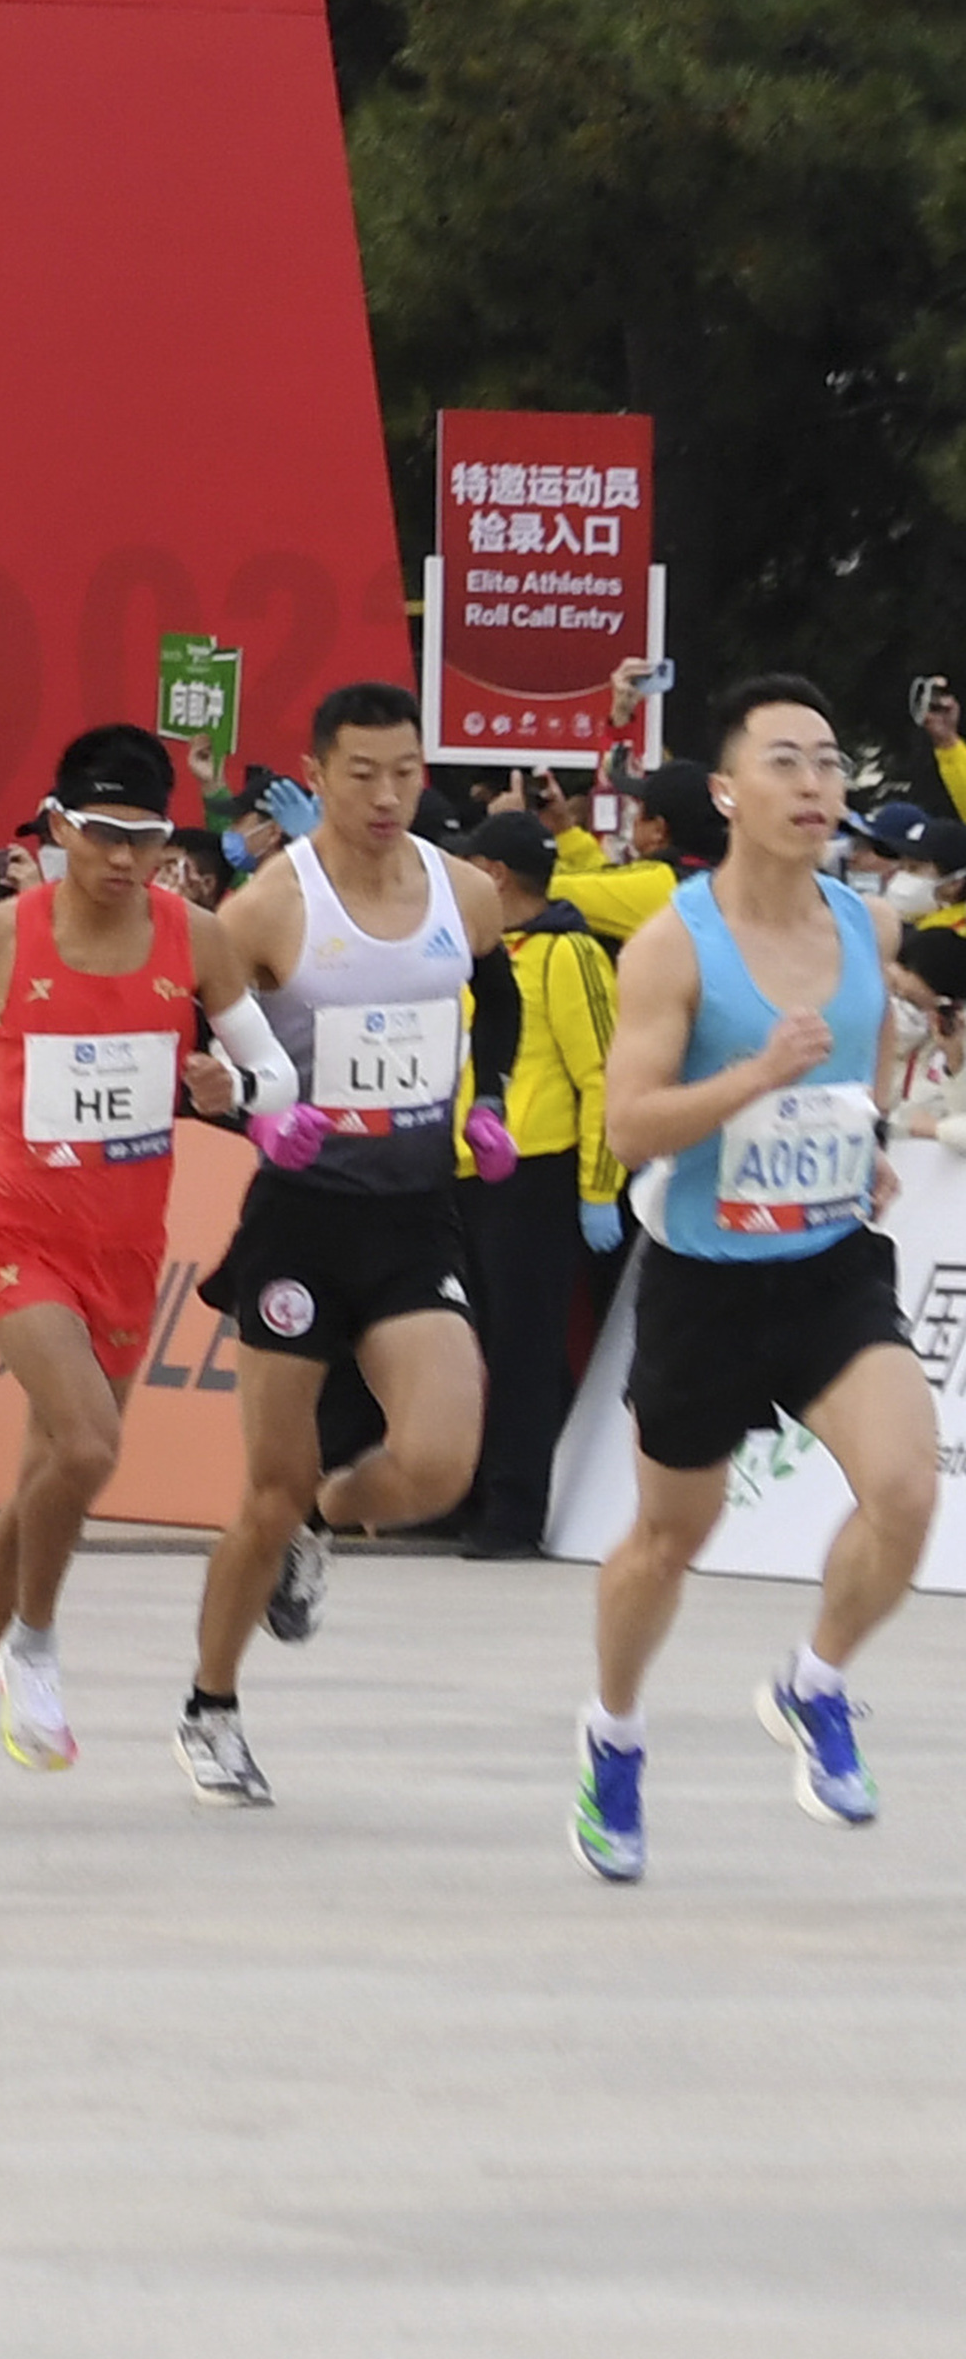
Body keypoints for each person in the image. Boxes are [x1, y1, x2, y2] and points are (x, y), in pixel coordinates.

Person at [571, 675, 934, 1880]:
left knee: (907, 1488)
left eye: (829, 762)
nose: (816, 784)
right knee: (670, 1539)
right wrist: (756, 1077)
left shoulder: (865, 925)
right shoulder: (676, 944)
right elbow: (630, 1127)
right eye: (786, 761)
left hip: (830, 1263)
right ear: (726, 790)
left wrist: (864, 1145)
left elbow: (870, 1053)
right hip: (705, 1280)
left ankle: (812, 1681)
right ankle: (613, 1736)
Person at [0, 724, 271, 1794]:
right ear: (55, 829)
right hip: (17, 1234)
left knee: (48, 1479)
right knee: (88, 1447)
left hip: (129, 1245)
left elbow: (271, 1068)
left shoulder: (199, 940)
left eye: (145, 836)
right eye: (100, 834)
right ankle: (34, 1649)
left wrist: (237, 1087)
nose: (123, 858)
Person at [177, 680, 494, 1810]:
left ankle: (326, 1523)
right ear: (315, 774)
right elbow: (219, 1054)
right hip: (303, 1222)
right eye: (361, 771)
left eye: (405, 770)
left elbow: (481, 1009)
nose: (386, 793)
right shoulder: (270, 905)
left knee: (444, 1460)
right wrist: (246, 1105)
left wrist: (488, 1101)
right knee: (270, 1484)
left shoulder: (465, 892)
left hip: (417, 1215)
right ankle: (211, 1706)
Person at [446, 810, 624, 1556]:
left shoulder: (567, 952)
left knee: (522, 1348)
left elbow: (603, 1076)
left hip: (537, 1176)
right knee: (471, 1346)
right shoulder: (476, 953)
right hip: (463, 1175)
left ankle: (514, 1513)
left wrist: (597, 1187)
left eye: (466, 870)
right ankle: (471, 1492)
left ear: (495, 876)